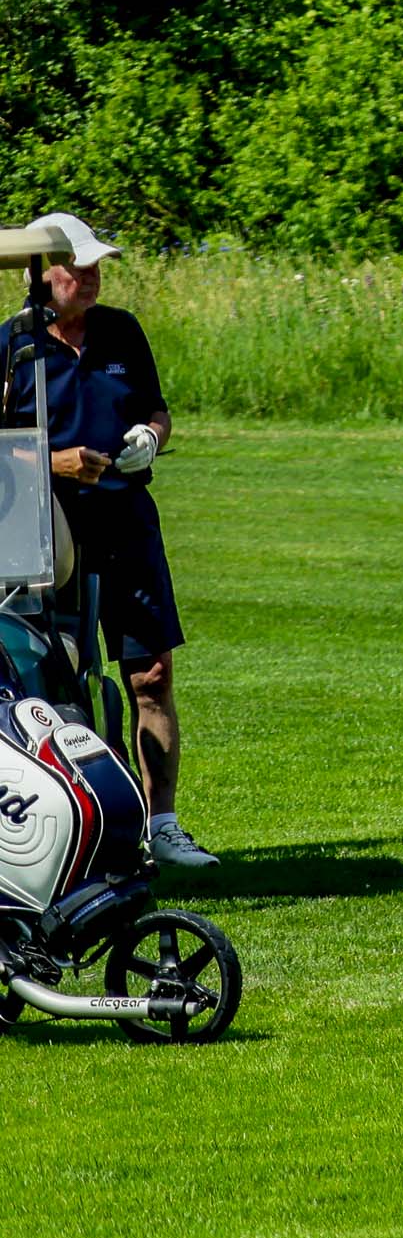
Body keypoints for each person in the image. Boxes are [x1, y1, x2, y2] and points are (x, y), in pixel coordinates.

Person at [15, 213, 214, 867]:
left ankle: (164, 824)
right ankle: (98, 829)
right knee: (63, 685)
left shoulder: (121, 330)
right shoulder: (13, 345)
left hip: (127, 520)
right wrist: (55, 464)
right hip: (48, 534)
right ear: (43, 274)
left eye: (98, 266)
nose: (92, 277)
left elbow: (154, 407)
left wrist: (150, 437)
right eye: (79, 267)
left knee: (151, 673)